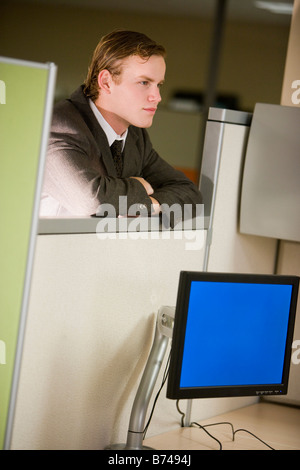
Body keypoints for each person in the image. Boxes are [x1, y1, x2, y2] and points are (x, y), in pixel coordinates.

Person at [40, 30, 202, 225]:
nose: (157, 97)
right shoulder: (60, 126)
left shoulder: (135, 137)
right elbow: (93, 201)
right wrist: (139, 187)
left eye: (158, 85)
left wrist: (150, 204)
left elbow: (189, 193)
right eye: (144, 82)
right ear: (106, 82)